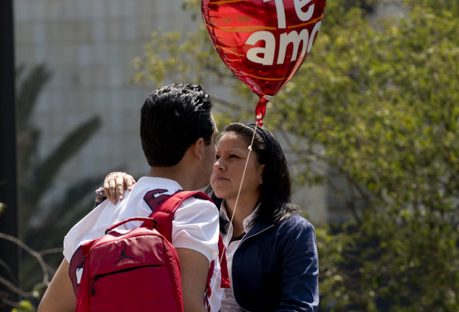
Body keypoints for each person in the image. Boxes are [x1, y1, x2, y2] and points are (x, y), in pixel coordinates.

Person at [38, 83, 223, 312]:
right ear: (198, 147)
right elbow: (188, 304)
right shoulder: (194, 210)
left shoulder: (104, 210)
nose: (216, 152)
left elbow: (49, 308)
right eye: (214, 139)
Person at [102, 122, 319, 311]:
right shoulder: (196, 216)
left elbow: (299, 306)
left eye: (233, 157)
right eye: (216, 156)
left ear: (263, 171)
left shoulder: (293, 232)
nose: (219, 165)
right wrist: (121, 185)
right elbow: (136, 235)